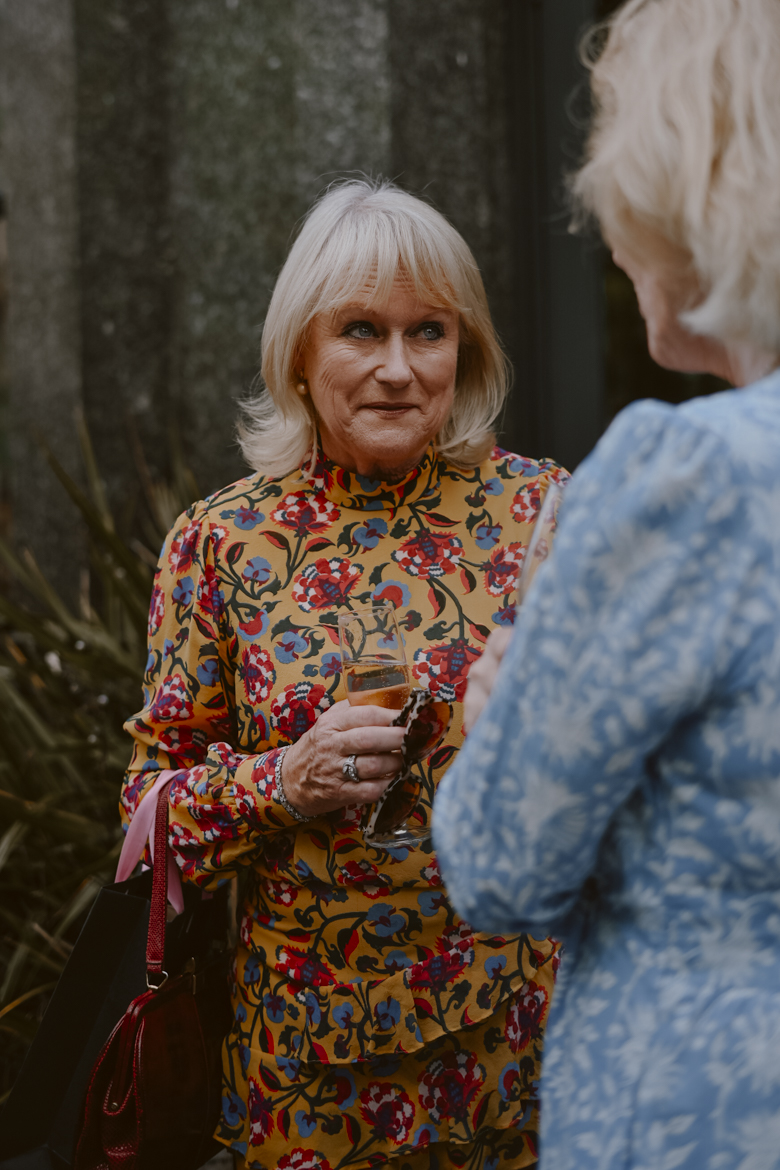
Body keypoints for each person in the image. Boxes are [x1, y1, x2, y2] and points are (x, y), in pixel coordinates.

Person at [121, 179, 567, 1170]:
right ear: (300, 350)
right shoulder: (220, 543)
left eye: (428, 332)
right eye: (362, 330)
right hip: (307, 1072)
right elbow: (148, 819)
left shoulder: (544, 515)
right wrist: (286, 781)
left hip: (514, 1049)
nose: (398, 369)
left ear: (465, 349)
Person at [433, 1, 780, 1167]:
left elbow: (499, 870)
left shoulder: (686, 476)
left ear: (683, 195)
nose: (607, 238)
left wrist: (497, 721)